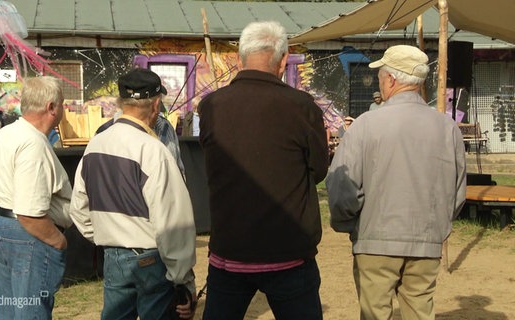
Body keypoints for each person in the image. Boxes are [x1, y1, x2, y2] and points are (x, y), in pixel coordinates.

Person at [199, 21, 329, 319]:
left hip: (229, 251)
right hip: (288, 252)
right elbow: (319, 170)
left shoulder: (210, 106)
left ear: (240, 59)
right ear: (283, 60)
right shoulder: (302, 106)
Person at [326, 45, 467, 320]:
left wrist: (350, 225)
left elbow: (342, 187)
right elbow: (457, 192)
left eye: (380, 76)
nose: (379, 82)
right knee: (419, 313)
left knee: (375, 314)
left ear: (390, 80)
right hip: (426, 243)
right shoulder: (447, 128)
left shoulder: (365, 125)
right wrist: (438, 226)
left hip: (375, 243)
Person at [70, 68, 197, 320]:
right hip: (149, 258)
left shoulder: (96, 143)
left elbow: (78, 209)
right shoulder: (153, 150)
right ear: (156, 104)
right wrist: (183, 279)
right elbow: (173, 222)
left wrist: (109, 236)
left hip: (114, 255)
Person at [0, 76, 73, 320]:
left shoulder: (9, 131)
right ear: (51, 107)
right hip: (26, 234)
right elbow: (29, 214)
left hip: (0, 224)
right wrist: (59, 242)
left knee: (11, 310)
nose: (64, 109)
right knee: (30, 313)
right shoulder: (32, 143)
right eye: (62, 104)